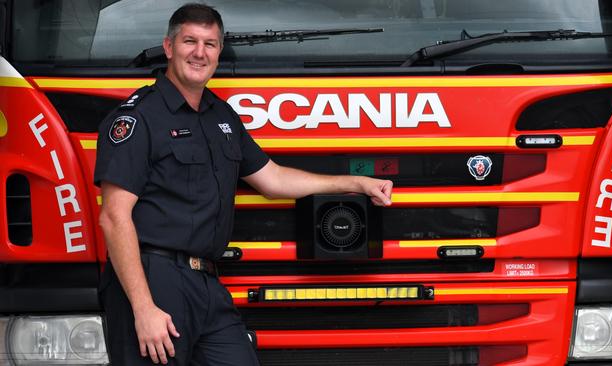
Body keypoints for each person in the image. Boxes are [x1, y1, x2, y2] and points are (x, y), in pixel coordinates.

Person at [94, 3, 392, 365]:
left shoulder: (221, 116)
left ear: (219, 52)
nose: (200, 53)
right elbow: (114, 217)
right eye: (190, 41)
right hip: (154, 281)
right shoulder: (138, 117)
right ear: (169, 47)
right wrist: (143, 309)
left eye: (210, 43)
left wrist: (356, 183)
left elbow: (273, 178)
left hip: (206, 282)